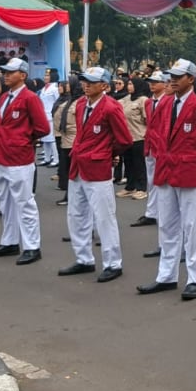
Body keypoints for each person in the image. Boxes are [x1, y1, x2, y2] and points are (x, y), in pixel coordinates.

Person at [136, 59, 196, 300]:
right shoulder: (165, 104)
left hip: (189, 172)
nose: (173, 80)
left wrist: (195, 154)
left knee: (192, 227)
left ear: (191, 79)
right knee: (167, 226)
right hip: (166, 171)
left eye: (179, 76)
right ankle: (166, 276)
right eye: (171, 76)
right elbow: (157, 132)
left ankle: (194, 278)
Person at [57, 66, 133, 283]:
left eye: (91, 81)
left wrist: (108, 153)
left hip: (98, 168)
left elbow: (125, 139)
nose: (86, 85)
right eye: (84, 81)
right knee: (76, 215)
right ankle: (84, 259)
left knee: (104, 217)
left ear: (104, 85)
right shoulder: (81, 104)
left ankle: (113, 263)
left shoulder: (111, 107)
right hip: (79, 165)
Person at [0, 57, 50, 264]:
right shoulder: (5, 97)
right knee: (5, 202)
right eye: (5, 72)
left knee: (24, 203)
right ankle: (10, 241)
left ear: (23, 75)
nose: (6, 75)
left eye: (10, 72)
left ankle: (32, 246)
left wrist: (22, 140)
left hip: (20, 158)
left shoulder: (30, 98)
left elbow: (42, 127)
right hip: (2, 156)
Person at [134, 72, 166, 233]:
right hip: (151, 144)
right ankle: (151, 212)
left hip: (163, 145)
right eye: (151, 82)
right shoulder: (149, 102)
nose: (152, 85)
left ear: (165, 84)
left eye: (156, 82)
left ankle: (161, 212)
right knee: (151, 180)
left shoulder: (168, 101)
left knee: (161, 181)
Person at [51, 76, 82, 203]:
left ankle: (73, 197)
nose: (66, 86)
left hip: (73, 140)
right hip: (65, 139)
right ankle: (70, 195)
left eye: (69, 84)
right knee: (69, 170)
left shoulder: (80, 102)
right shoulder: (70, 101)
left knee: (74, 171)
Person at [119, 76, 150, 200]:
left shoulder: (143, 100)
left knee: (139, 164)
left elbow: (147, 119)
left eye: (131, 84)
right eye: (129, 84)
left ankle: (141, 188)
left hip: (139, 137)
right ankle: (130, 187)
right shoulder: (126, 99)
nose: (129, 86)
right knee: (128, 163)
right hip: (127, 137)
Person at [38, 69, 60, 167]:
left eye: (47, 75)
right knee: (45, 139)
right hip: (44, 115)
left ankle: (56, 159)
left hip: (52, 116)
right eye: (45, 75)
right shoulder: (44, 88)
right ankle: (47, 158)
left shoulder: (55, 87)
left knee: (52, 139)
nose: (45, 77)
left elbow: (58, 101)